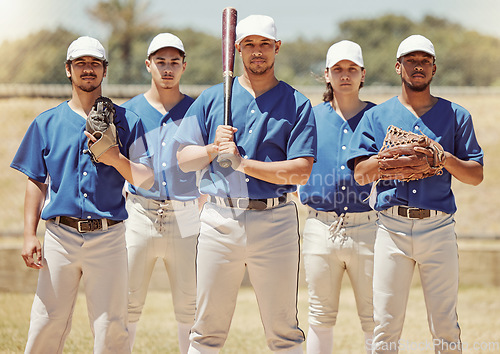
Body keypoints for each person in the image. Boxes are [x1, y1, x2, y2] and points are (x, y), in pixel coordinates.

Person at [174, 14, 317, 354]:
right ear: (236, 48)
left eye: (264, 44)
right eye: (249, 44)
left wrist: (243, 163)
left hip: (276, 220)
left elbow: (300, 172)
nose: (257, 52)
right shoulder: (212, 98)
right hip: (219, 220)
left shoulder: (296, 103)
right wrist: (212, 148)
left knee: (284, 331)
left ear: (276, 48)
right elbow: (183, 159)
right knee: (206, 329)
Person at [10, 36, 153, 354]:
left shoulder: (128, 121)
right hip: (60, 236)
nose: (87, 69)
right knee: (47, 321)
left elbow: (147, 178)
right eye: (80, 63)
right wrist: (29, 235)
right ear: (68, 70)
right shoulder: (46, 123)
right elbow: (36, 181)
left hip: (109, 237)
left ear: (105, 71)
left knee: (111, 325)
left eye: (94, 64)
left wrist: (115, 157)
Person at [347, 34, 484, 353]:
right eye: (411, 60)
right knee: (385, 325)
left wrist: (442, 156)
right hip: (391, 229)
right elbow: (359, 174)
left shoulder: (455, 115)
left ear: (434, 68)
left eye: (425, 61)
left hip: (438, 228)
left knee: (445, 325)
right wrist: (385, 160)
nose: (418, 66)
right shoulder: (376, 117)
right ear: (399, 67)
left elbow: (476, 175)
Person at [121, 33, 201, 353]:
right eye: (161, 62)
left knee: (191, 306)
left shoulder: (198, 110)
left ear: (184, 66)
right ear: (148, 65)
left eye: (174, 62)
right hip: (139, 211)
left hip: (186, 213)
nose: (167, 69)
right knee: (126, 303)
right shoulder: (128, 111)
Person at [298, 40, 377, 354]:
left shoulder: (378, 117)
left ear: (362, 74)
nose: (345, 75)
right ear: (326, 75)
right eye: (338, 69)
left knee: (375, 316)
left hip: (369, 225)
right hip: (320, 225)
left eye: (352, 69)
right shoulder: (310, 117)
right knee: (320, 313)